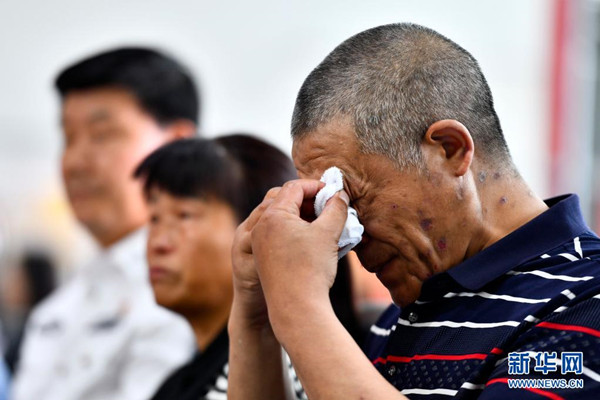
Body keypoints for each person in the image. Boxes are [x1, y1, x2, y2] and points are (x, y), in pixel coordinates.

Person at [228, 23, 600, 399]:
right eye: (327, 205)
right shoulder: (404, 312)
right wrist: (255, 316)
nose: (345, 235)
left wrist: (298, 305)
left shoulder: (586, 300)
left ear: (450, 149)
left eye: (351, 199)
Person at [11, 47, 199, 400]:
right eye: (68, 138)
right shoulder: (59, 306)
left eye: (102, 135)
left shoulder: (195, 294)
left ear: (178, 145)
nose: (75, 162)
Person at [134, 134, 297, 399]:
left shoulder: (283, 375)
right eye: (154, 219)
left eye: (184, 215)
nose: (157, 243)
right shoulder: (178, 384)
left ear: (257, 226)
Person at [1, 250, 57, 372]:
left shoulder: (38, 333)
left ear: (32, 283)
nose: (9, 285)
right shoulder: (16, 327)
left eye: (17, 279)